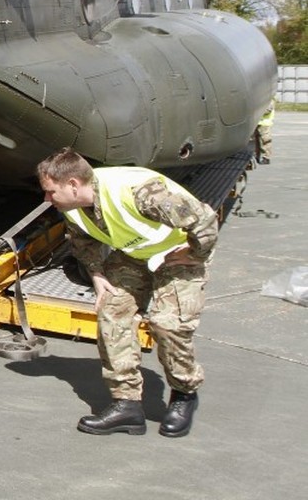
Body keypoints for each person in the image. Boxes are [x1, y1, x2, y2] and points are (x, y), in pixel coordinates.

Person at [36, 148, 218, 438]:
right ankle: (127, 405)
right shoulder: (72, 207)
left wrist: (196, 253)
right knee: (111, 310)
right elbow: (83, 241)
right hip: (135, 254)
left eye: (50, 191)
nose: (47, 199)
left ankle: (184, 394)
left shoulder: (139, 192)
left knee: (168, 324)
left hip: (176, 252)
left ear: (72, 185)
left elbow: (204, 219)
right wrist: (97, 274)